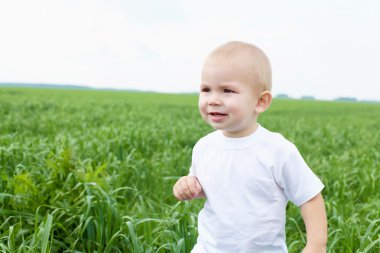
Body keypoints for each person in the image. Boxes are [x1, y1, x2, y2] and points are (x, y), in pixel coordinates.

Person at [173, 41, 327, 252]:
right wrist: (189, 185)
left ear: (260, 102)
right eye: (206, 89)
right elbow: (206, 188)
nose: (213, 100)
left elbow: (309, 197)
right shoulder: (204, 146)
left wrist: (316, 246)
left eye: (227, 90)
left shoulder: (277, 150)